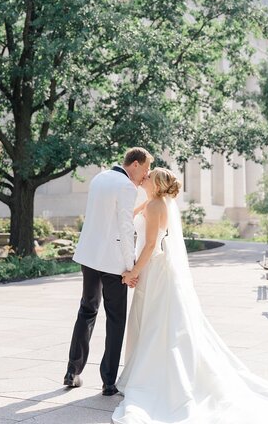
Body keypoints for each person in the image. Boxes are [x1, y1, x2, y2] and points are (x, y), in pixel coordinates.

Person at [112, 167, 268, 424]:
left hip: (155, 269)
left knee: (158, 323)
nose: (144, 176)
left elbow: (150, 245)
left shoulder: (156, 205)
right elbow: (134, 220)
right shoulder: (154, 203)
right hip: (159, 269)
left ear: (156, 184)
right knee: (159, 321)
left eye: (149, 176)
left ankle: (156, 376)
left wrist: (133, 270)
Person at [63, 147, 153, 396]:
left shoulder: (99, 177)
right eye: (145, 168)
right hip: (113, 263)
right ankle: (109, 381)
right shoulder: (126, 187)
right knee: (115, 319)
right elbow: (125, 228)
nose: (145, 174)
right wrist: (131, 267)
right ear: (134, 164)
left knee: (86, 310)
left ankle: (72, 372)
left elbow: (99, 218)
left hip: (90, 256)